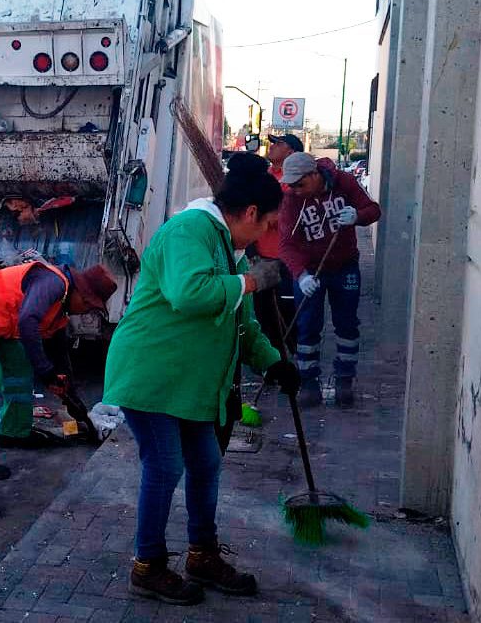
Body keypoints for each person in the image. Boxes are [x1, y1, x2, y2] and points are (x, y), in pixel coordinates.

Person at [102, 152, 299, 606]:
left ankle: (201, 554)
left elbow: (241, 322)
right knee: (166, 465)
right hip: (152, 376)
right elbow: (191, 294)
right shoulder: (189, 232)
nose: (269, 234)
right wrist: (250, 282)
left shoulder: (226, 247)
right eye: (269, 223)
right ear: (250, 213)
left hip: (189, 385)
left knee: (206, 463)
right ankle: (147, 566)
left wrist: (272, 362)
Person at [0, 261, 118, 481]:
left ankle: (13, 432)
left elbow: (60, 352)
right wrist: (45, 371)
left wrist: (69, 392)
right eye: (89, 305)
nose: (86, 311)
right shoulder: (53, 284)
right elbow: (28, 321)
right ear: (81, 294)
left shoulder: (62, 308)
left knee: (20, 371)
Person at [278, 151, 382, 408]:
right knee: (307, 324)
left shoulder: (343, 182)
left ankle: (345, 379)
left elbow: (373, 210)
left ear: (314, 175)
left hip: (345, 265)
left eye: (299, 184)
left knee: (346, 323)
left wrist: (357, 216)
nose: (295, 189)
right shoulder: (291, 200)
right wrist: (301, 275)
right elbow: (287, 244)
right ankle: (308, 382)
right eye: (291, 185)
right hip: (310, 270)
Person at [251, 133, 304, 356]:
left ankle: (297, 355)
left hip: (285, 259)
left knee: (287, 311)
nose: (271, 146)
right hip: (262, 257)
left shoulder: (295, 182)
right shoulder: (264, 178)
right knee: (264, 313)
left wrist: (269, 217)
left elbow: (291, 218)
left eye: (278, 144)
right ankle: (274, 359)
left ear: (291, 152)